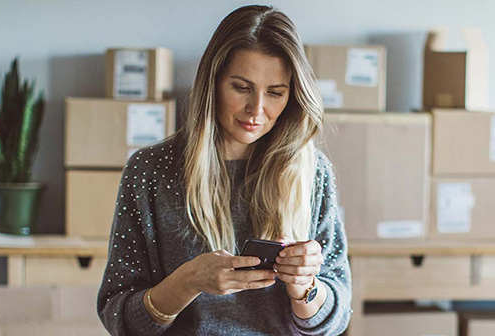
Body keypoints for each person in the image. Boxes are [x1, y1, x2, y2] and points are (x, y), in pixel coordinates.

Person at [97, 4, 352, 335]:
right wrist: (188, 281)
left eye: (275, 93)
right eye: (242, 87)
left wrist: (305, 289)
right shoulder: (151, 171)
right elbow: (119, 318)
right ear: (213, 83)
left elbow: (338, 315)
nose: (256, 109)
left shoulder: (312, 172)